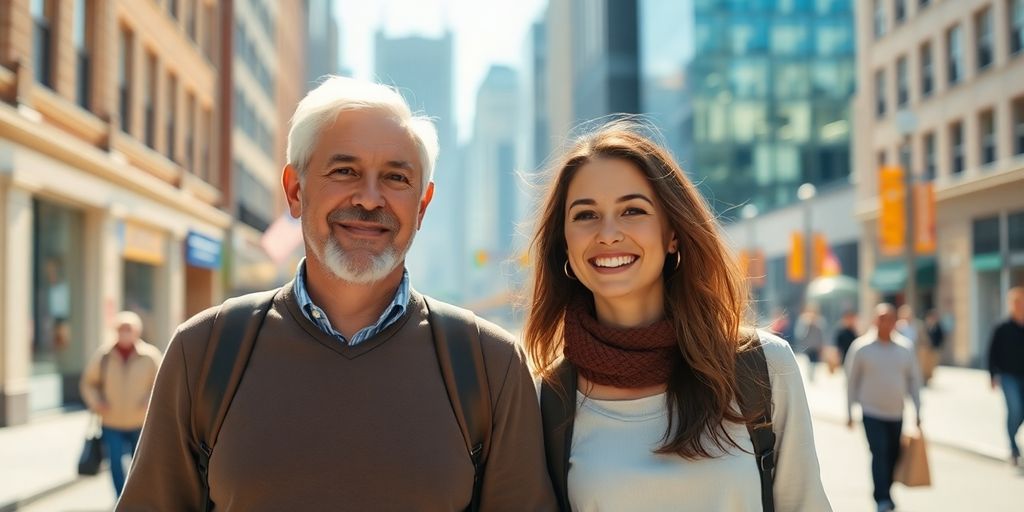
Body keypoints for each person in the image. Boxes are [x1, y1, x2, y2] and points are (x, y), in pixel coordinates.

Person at [117, 76, 555, 510]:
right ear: (295, 191)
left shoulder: (489, 365)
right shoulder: (205, 350)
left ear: (422, 205)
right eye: (344, 171)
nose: (369, 199)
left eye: (396, 178)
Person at [524, 122, 831, 511]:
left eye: (632, 210)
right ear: (564, 244)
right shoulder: (547, 399)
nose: (608, 233)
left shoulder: (763, 368)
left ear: (672, 234)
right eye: (585, 215)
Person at [845, 303, 923, 512]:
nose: (885, 323)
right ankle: (881, 498)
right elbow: (851, 381)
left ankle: (886, 492)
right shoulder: (862, 348)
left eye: (889, 318)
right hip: (871, 412)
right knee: (879, 453)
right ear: (875, 320)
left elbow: (914, 380)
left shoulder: (905, 348)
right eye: (881, 318)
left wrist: (918, 409)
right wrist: (849, 411)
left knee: (893, 455)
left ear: (895, 321)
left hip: (896, 413)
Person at [79, 311, 162, 497]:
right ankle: (121, 500)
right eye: (121, 329)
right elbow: (88, 383)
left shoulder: (150, 356)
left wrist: (150, 399)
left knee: (140, 465)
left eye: (128, 329)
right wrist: (96, 401)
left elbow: (164, 383)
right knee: (115, 463)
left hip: (140, 422)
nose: (124, 333)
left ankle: (138, 498)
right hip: (111, 422)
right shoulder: (104, 356)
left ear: (137, 332)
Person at [988, 286, 1024, 466]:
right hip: (1008, 376)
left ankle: (1012, 438)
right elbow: (992, 352)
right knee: (1015, 409)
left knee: (1021, 412)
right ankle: (1013, 446)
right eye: (1016, 302)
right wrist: (992, 375)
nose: (1020, 306)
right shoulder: (1002, 327)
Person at [794, 304, 826, 381]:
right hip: (808, 346)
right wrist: (807, 325)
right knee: (809, 362)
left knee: (814, 362)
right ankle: (810, 376)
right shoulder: (803, 321)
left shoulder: (819, 321)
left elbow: (821, 335)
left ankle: (812, 376)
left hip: (816, 346)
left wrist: (821, 346)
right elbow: (800, 335)